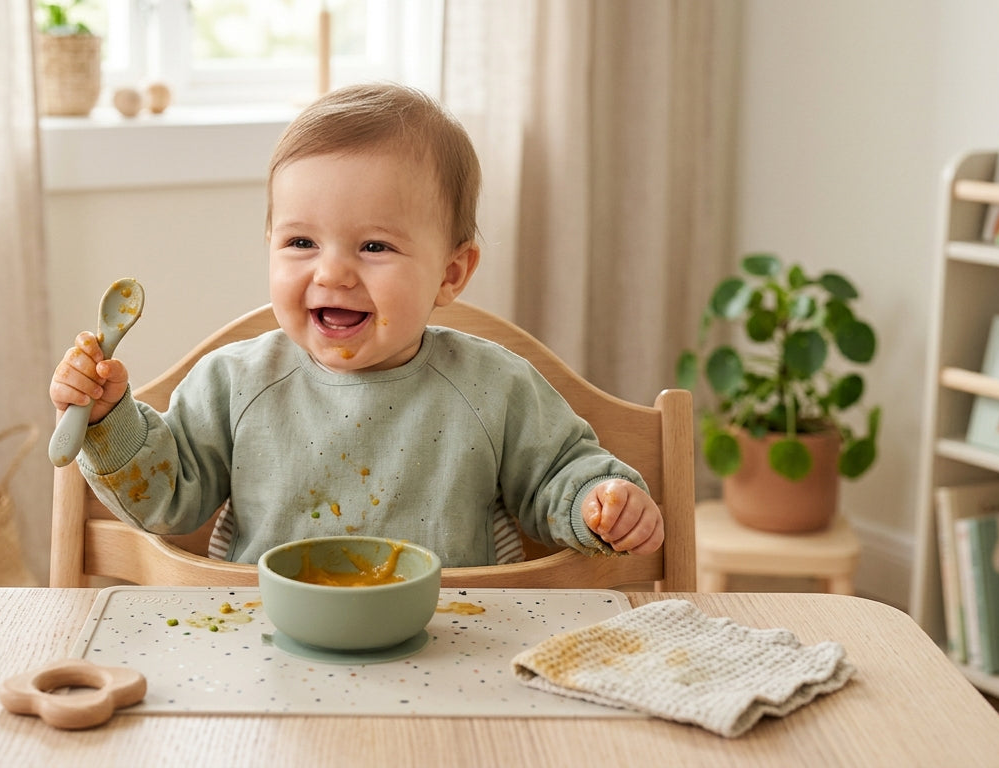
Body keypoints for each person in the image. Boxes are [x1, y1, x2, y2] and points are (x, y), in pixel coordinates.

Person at [49, 82, 664, 567]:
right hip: (269, 641)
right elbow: (165, 498)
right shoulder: (233, 383)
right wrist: (107, 421)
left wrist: (598, 504)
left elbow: (557, 472)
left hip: (450, 640)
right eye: (300, 241)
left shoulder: (493, 387)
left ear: (451, 273)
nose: (333, 273)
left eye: (374, 246)